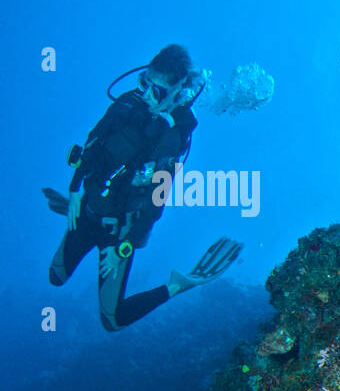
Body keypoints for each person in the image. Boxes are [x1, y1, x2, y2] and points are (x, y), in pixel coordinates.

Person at [47, 44, 242, 330]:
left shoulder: (174, 139)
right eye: (145, 84)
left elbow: (155, 203)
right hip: (86, 209)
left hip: (118, 232)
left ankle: (177, 286)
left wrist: (123, 248)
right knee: (55, 277)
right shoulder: (127, 103)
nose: (148, 96)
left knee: (112, 321)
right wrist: (75, 188)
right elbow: (93, 141)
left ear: (178, 90)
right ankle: (71, 211)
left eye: (159, 91)